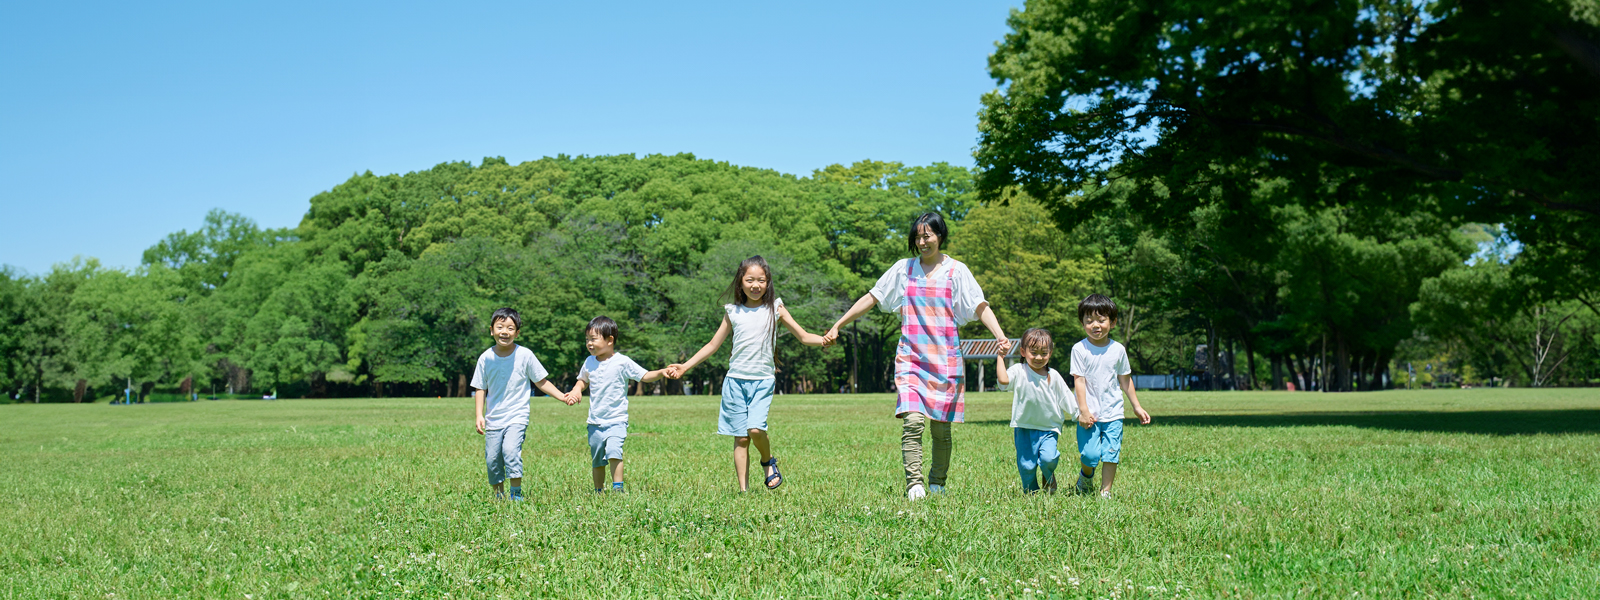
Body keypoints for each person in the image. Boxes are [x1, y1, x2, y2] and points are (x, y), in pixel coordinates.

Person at [825, 212, 1011, 500]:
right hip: (911, 359)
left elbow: (979, 305)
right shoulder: (904, 269)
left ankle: (937, 482)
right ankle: (915, 483)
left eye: (928, 236)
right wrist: (839, 323)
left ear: (940, 236)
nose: (922, 242)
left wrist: (1000, 335)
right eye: (918, 237)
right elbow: (872, 297)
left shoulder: (956, 271)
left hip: (945, 360)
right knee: (912, 421)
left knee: (940, 430)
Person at [665, 256, 830, 492]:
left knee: (755, 429)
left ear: (768, 282)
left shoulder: (776, 308)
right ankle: (744, 491)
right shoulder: (732, 311)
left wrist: (823, 340)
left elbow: (803, 337)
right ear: (740, 282)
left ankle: (767, 461)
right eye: (750, 279)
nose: (755, 285)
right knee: (741, 438)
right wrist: (685, 366)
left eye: (761, 280)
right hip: (735, 382)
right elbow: (712, 345)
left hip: (762, 380)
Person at [472, 307, 576, 501]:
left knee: (511, 450)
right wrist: (479, 415)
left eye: (511, 328)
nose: (505, 331)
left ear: (517, 333)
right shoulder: (485, 358)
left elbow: (540, 381)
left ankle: (516, 494)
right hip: (494, 418)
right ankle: (498, 495)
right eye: (500, 327)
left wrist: (562, 396)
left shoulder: (525, 355)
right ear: (491, 330)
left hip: (517, 416)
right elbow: (480, 387)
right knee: (493, 459)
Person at [563, 316, 667, 493]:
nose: (589, 343)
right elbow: (582, 380)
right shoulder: (589, 361)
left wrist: (662, 372)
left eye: (593, 339)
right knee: (597, 459)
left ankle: (618, 489)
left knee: (613, 451)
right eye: (587, 339)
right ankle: (598, 490)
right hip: (595, 422)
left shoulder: (622, 362)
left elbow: (645, 375)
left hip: (616, 420)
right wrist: (576, 390)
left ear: (610, 340)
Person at [1069, 294, 1152, 498]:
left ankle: (1105, 492)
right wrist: (1083, 410)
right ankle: (1085, 479)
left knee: (1111, 454)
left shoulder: (1118, 350)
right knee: (1090, 455)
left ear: (1112, 322)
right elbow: (1078, 381)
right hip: (1089, 414)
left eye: (1101, 320)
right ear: (1082, 323)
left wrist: (1137, 406)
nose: (1095, 325)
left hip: (1114, 411)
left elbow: (1125, 379)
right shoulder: (1079, 349)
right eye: (1089, 321)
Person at [996, 328, 1075, 494]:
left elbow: (1066, 398)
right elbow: (1003, 381)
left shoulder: (1053, 376)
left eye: (1044, 353)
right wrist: (1000, 357)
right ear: (1023, 352)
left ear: (1050, 353)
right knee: (1026, 465)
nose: (1039, 357)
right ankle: (1031, 493)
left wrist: (1079, 415)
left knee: (1048, 458)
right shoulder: (1019, 370)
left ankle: (1049, 475)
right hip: (1024, 427)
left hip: (1049, 428)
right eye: (1034, 352)